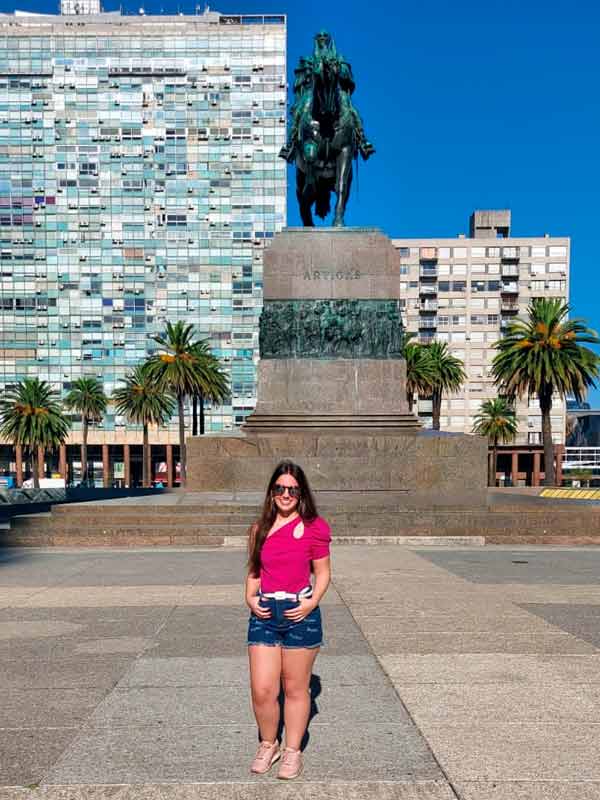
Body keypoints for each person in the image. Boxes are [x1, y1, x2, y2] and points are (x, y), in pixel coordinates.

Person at [245, 460, 331, 780]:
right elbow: (254, 570)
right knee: (262, 689)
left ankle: (292, 751)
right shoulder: (259, 529)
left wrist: (310, 603)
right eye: (280, 488)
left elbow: (323, 573)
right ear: (271, 493)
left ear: (301, 493)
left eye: (292, 489)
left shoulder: (315, 527)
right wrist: (250, 597)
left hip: (300, 615)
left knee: (295, 688)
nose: (286, 494)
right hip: (265, 614)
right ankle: (270, 744)